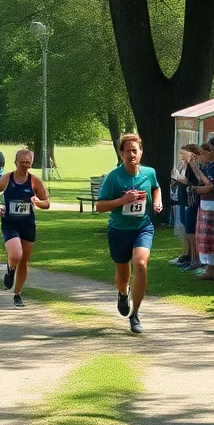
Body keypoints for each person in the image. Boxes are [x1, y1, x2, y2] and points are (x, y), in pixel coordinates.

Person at [96, 134, 162, 335]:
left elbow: (156, 187)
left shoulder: (149, 172)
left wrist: (158, 201)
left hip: (143, 227)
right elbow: (99, 206)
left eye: (135, 150)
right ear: (121, 153)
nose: (132, 154)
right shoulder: (114, 177)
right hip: (119, 230)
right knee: (123, 274)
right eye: (127, 151)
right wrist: (121, 201)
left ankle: (135, 315)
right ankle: (123, 294)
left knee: (141, 264)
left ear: (141, 152)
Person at [0, 149, 51, 307]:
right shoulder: (7, 178)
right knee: (16, 254)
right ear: (15, 162)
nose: (24, 165)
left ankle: (17, 294)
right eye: (22, 162)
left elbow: (47, 203)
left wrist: (37, 202)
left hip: (28, 225)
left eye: (27, 162)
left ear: (31, 163)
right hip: (10, 222)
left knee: (24, 261)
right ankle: (10, 269)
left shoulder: (35, 181)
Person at [189, 140, 214, 281]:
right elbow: (203, 179)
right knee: (204, 237)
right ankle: (207, 267)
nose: (202, 155)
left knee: (211, 238)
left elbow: (212, 185)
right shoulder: (211, 164)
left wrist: (198, 189)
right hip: (205, 203)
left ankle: (211, 269)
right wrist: (193, 165)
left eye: (204, 152)